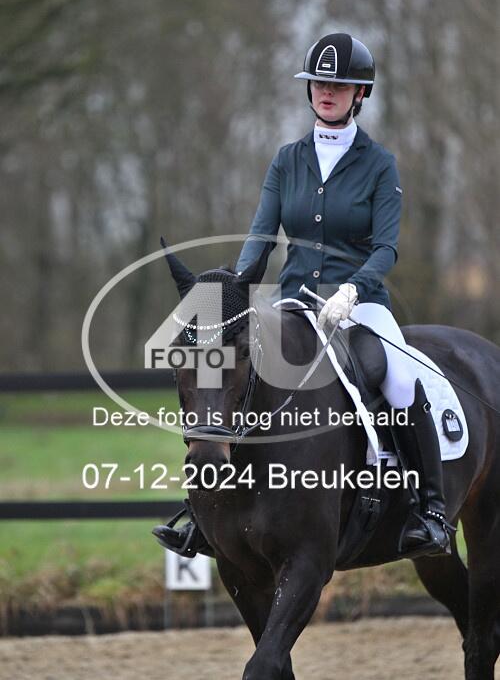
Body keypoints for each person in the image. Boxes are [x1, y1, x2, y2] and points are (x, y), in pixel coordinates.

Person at [154, 33, 454, 559]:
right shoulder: (287, 160)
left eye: (339, 85)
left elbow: (386, 248)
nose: (326, 92)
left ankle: (428, 510)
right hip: (293, 300)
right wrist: (235, 290)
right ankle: (203, 514)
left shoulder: (379, 164)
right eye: (318, 83)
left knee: (400, 379)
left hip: (360, 304)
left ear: (360, 94)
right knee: (229, 369)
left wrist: (353, 289)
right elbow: (260, 236)